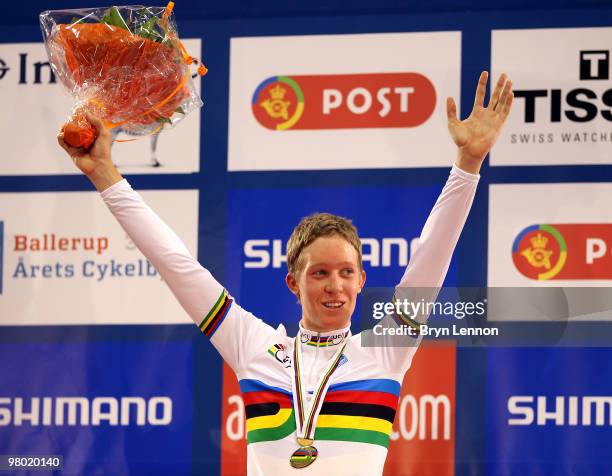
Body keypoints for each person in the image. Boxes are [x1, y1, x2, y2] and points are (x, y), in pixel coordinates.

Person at [58, 71, 513, 475]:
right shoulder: (254, 348)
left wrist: (468, 164)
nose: (334, 285)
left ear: (361, 280)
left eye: (346, 272)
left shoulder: (385, 351)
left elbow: (431, 259)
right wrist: (105, 175)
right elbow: (176, 264)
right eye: (319, 273)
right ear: (293, 282)